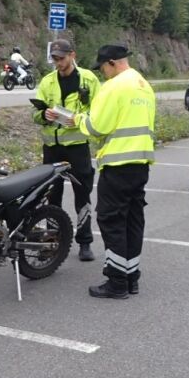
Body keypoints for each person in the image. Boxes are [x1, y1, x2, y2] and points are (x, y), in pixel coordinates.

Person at [73, 44, 155, 299]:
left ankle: (117, 282)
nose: (102, 74)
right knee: (133, 220)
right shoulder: (144, 85)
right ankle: (132, 277)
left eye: (103, 68)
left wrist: (75, 119)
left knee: (111, 220)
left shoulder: (114, 86)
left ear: (111, 63)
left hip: (118, 164)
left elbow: (97, 126)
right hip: (140, 163)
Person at [32, 39, 100, 261]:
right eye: (54, 59)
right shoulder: (47, 81)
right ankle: (53, 241)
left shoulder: (89, 79)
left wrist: (79, 120)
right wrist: (44, 115)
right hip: (52, 148)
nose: (58, 63)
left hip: (78, 148)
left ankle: (85, 241)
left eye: (61, 58)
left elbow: (99, 112)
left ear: (73, 55)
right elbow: (34, 114)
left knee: (83, 195)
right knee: (52, 196)